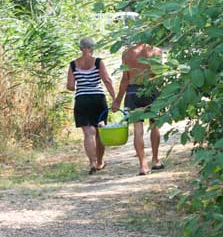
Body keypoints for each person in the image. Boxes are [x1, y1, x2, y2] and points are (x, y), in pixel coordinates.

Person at [112, 43, 164, 175]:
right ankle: (156, 160)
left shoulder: (127, 53)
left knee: (138, 128)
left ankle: (143, 165)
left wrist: (117, 101)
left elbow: (125, 79)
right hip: (150, 90)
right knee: (155, 124)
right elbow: (158, 76)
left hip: (132, 91)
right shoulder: (156, 51)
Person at [66, 37, 115, 174]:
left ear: (81, 48)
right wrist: (115, 98)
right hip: (98, 99)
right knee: (100, 132)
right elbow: (106, 80)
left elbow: (70, 86)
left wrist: (80, 84)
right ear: (93, 48)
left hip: (82, 100)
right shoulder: (98, 62)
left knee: (88, 133)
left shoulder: (73, 64)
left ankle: (92, 162)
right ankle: (100, 162)